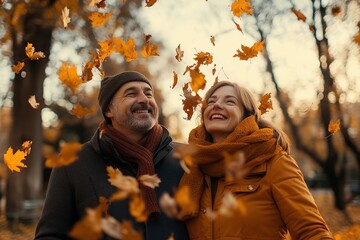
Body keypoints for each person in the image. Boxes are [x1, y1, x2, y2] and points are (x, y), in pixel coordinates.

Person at [35, 71, 188, 239]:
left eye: (148, 93)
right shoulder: (71, 164)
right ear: (109, 110)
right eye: (131, 93)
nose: (144, 99)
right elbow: (50, 235)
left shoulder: (185, 159)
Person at [179, 81, 334, 239]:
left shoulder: (274, 161)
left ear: (247, 116)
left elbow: (311, 231)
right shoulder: (191, 168)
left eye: (230, 101)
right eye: (211, 102)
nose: (216, 105)